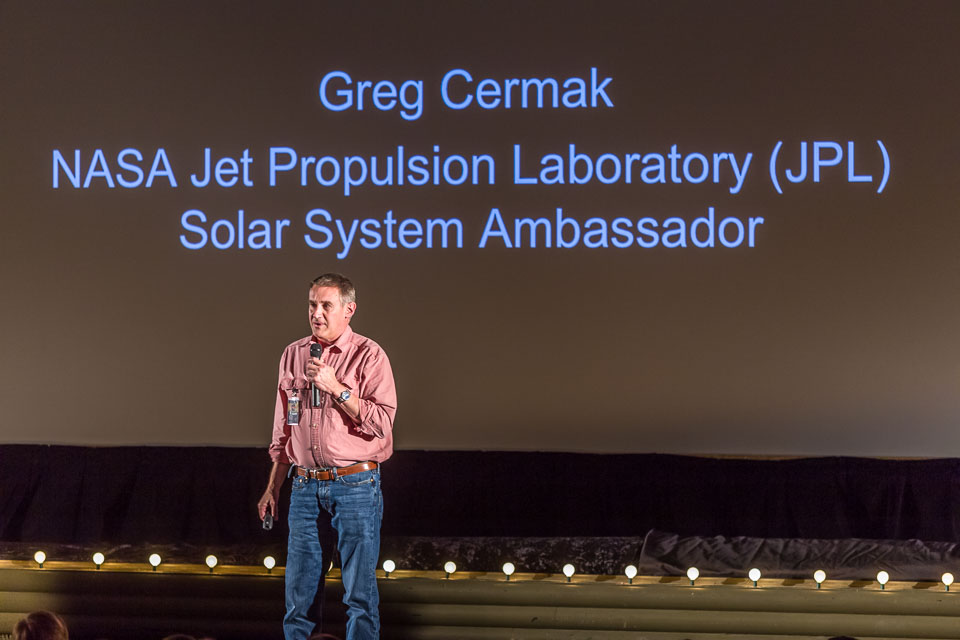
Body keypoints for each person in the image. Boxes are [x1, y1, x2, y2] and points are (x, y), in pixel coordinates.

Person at [259, 273, 397, 640]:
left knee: (359, 597)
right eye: (312, 305)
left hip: (356, 486)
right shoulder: (294, 354)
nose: (316, 313)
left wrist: (336, 387)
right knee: (299, 599)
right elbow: (284, 430)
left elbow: (382, 424)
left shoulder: (369, 355)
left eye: (326, 306)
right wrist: (273, 486)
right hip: (304, 488)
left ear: (349, 310)